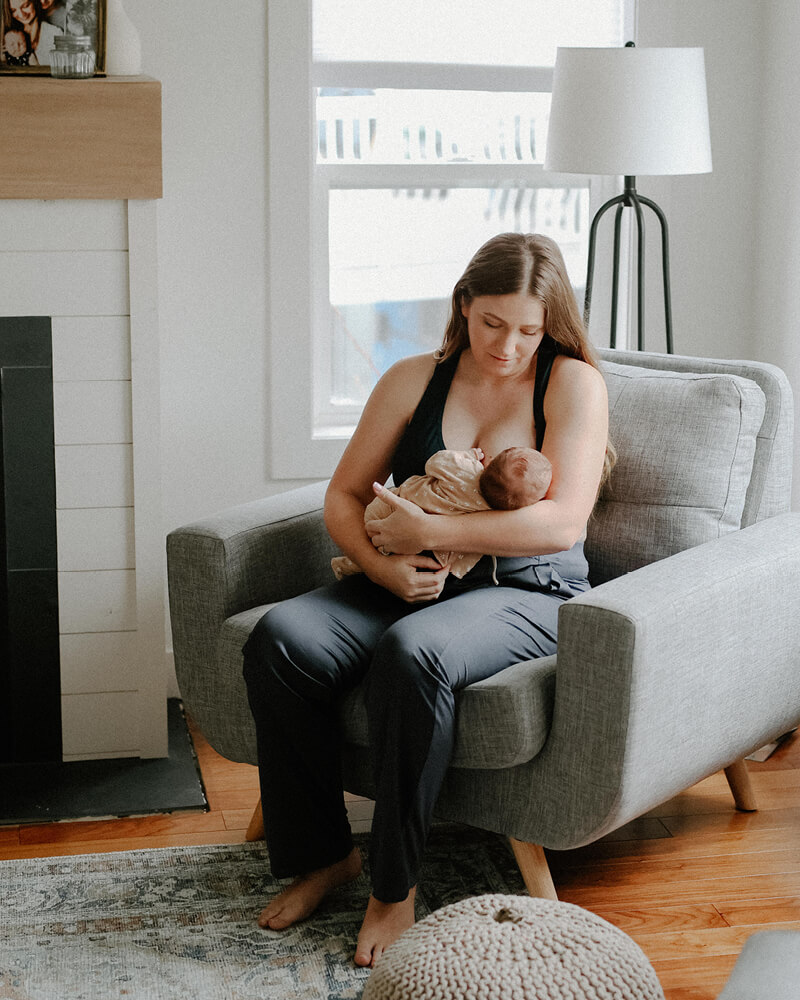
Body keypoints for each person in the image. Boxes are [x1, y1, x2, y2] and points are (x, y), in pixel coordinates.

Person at [242, 232, 612, 968]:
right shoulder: (414, 378)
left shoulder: (570, 384)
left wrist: (430, 527)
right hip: (405, 579)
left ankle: (393, 887)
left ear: (552, 324)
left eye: (530, 330)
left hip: (527, 591)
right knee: (280, 640)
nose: (509, 346)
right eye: (493, 323)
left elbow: (562, 522)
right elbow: (344, 495)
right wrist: (383, 571)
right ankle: (324, 857)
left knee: (414, 655)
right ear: (464, 306)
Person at [331, 445, 553, 581]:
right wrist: (451, 570)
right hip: (430, 554)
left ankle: (360, 563)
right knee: (397, 556)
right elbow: (470, 555)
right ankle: (358, 565)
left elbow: (434, 462)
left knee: (379, 538)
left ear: (493, 460)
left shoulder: (464, 471)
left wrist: (469, 455)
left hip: (393, 507)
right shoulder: (490, 514)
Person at [2, 0, 62, 66]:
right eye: (13, 10)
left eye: (25, 6)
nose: (21, 15)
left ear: (35, 2)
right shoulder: (7, 35)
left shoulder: (53, 33)